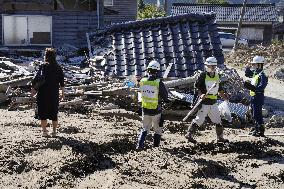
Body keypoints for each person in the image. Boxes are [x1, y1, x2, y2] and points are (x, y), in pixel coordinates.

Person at [185, 56, 229, 144]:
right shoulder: (203, 75)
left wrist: (224, 95)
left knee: (218, 120)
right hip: (205, 102)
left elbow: (219, 88)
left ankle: (220, 138)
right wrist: (201, 95)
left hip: (213, 103)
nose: (211, 68)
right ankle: (189, 134)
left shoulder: (217, 75)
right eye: (210, 66)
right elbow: (197, 86)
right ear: (207, 66)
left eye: (213, 66)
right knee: (199, 120)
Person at [31, 48, 65, 137]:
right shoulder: (58, 68)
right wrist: (63, 94)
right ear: (54, 57)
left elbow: (36, 79)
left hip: (43, 94)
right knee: (54, 114)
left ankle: (45, 131)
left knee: (43, 114)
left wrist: (33, 89)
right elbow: (62, 82)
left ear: (46, 56)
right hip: (53, 95)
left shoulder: (43, 66)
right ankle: (54, 131)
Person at [136, 60, 168, 149]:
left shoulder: (142, 81)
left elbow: (139, 91)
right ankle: (156, 147)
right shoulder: (158, 82)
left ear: (148, 70)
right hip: (156, 111)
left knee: (145, 129)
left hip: (145, 110)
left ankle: (139, 145)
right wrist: (166, 100)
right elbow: (165, 96)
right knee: (157, 130)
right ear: (157, 71)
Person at [244, 56, 268, 137]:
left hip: (258, 97)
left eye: (254, 65)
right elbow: (247, 73)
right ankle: (256, 128)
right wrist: (247, 67)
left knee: (257, 114)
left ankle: (261, 130)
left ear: (259, 65)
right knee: (253, 113)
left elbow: (262, 86)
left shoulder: (262, 75)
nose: (253, 66)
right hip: (253, 97)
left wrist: (252, 88)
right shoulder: (255, 73)